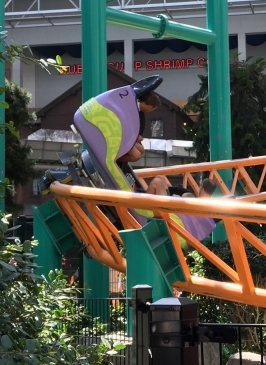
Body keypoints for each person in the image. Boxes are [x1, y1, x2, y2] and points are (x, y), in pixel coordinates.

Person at [73, 75, 217, 241]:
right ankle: (117, 155)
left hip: (152, 213)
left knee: (156, 180)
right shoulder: (193, 202)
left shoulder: (192, 208)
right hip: (160, 209)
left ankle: (118, 157)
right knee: (160, 178)